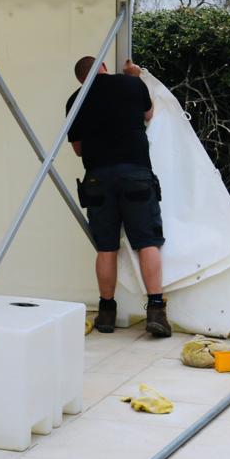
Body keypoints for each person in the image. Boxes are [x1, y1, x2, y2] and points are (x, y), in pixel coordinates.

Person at [66, 57, 170, 337]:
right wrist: (135, 76)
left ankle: (107, 314)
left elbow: (77, 149)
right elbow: (149, 115)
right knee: (147, 241)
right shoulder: (129, 84)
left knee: (106, 247)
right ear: (103, 67)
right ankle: (156, 311)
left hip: (98, 178)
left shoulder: (74, 100)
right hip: (135, 173)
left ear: (80, 79)